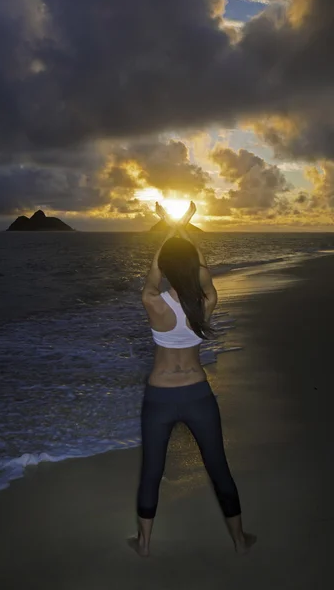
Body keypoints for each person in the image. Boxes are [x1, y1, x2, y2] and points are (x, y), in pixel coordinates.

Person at [128, 201, 256, 557]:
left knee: (152, 472)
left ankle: (144, 544)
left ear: (167, 266)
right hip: (198, 395)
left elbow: (157, 269)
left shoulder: (152, 301)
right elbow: (201, 268)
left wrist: (169, 231)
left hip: (159, 398)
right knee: (219, 469)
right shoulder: (206, 302)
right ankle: (239, 540)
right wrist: (185, 228)